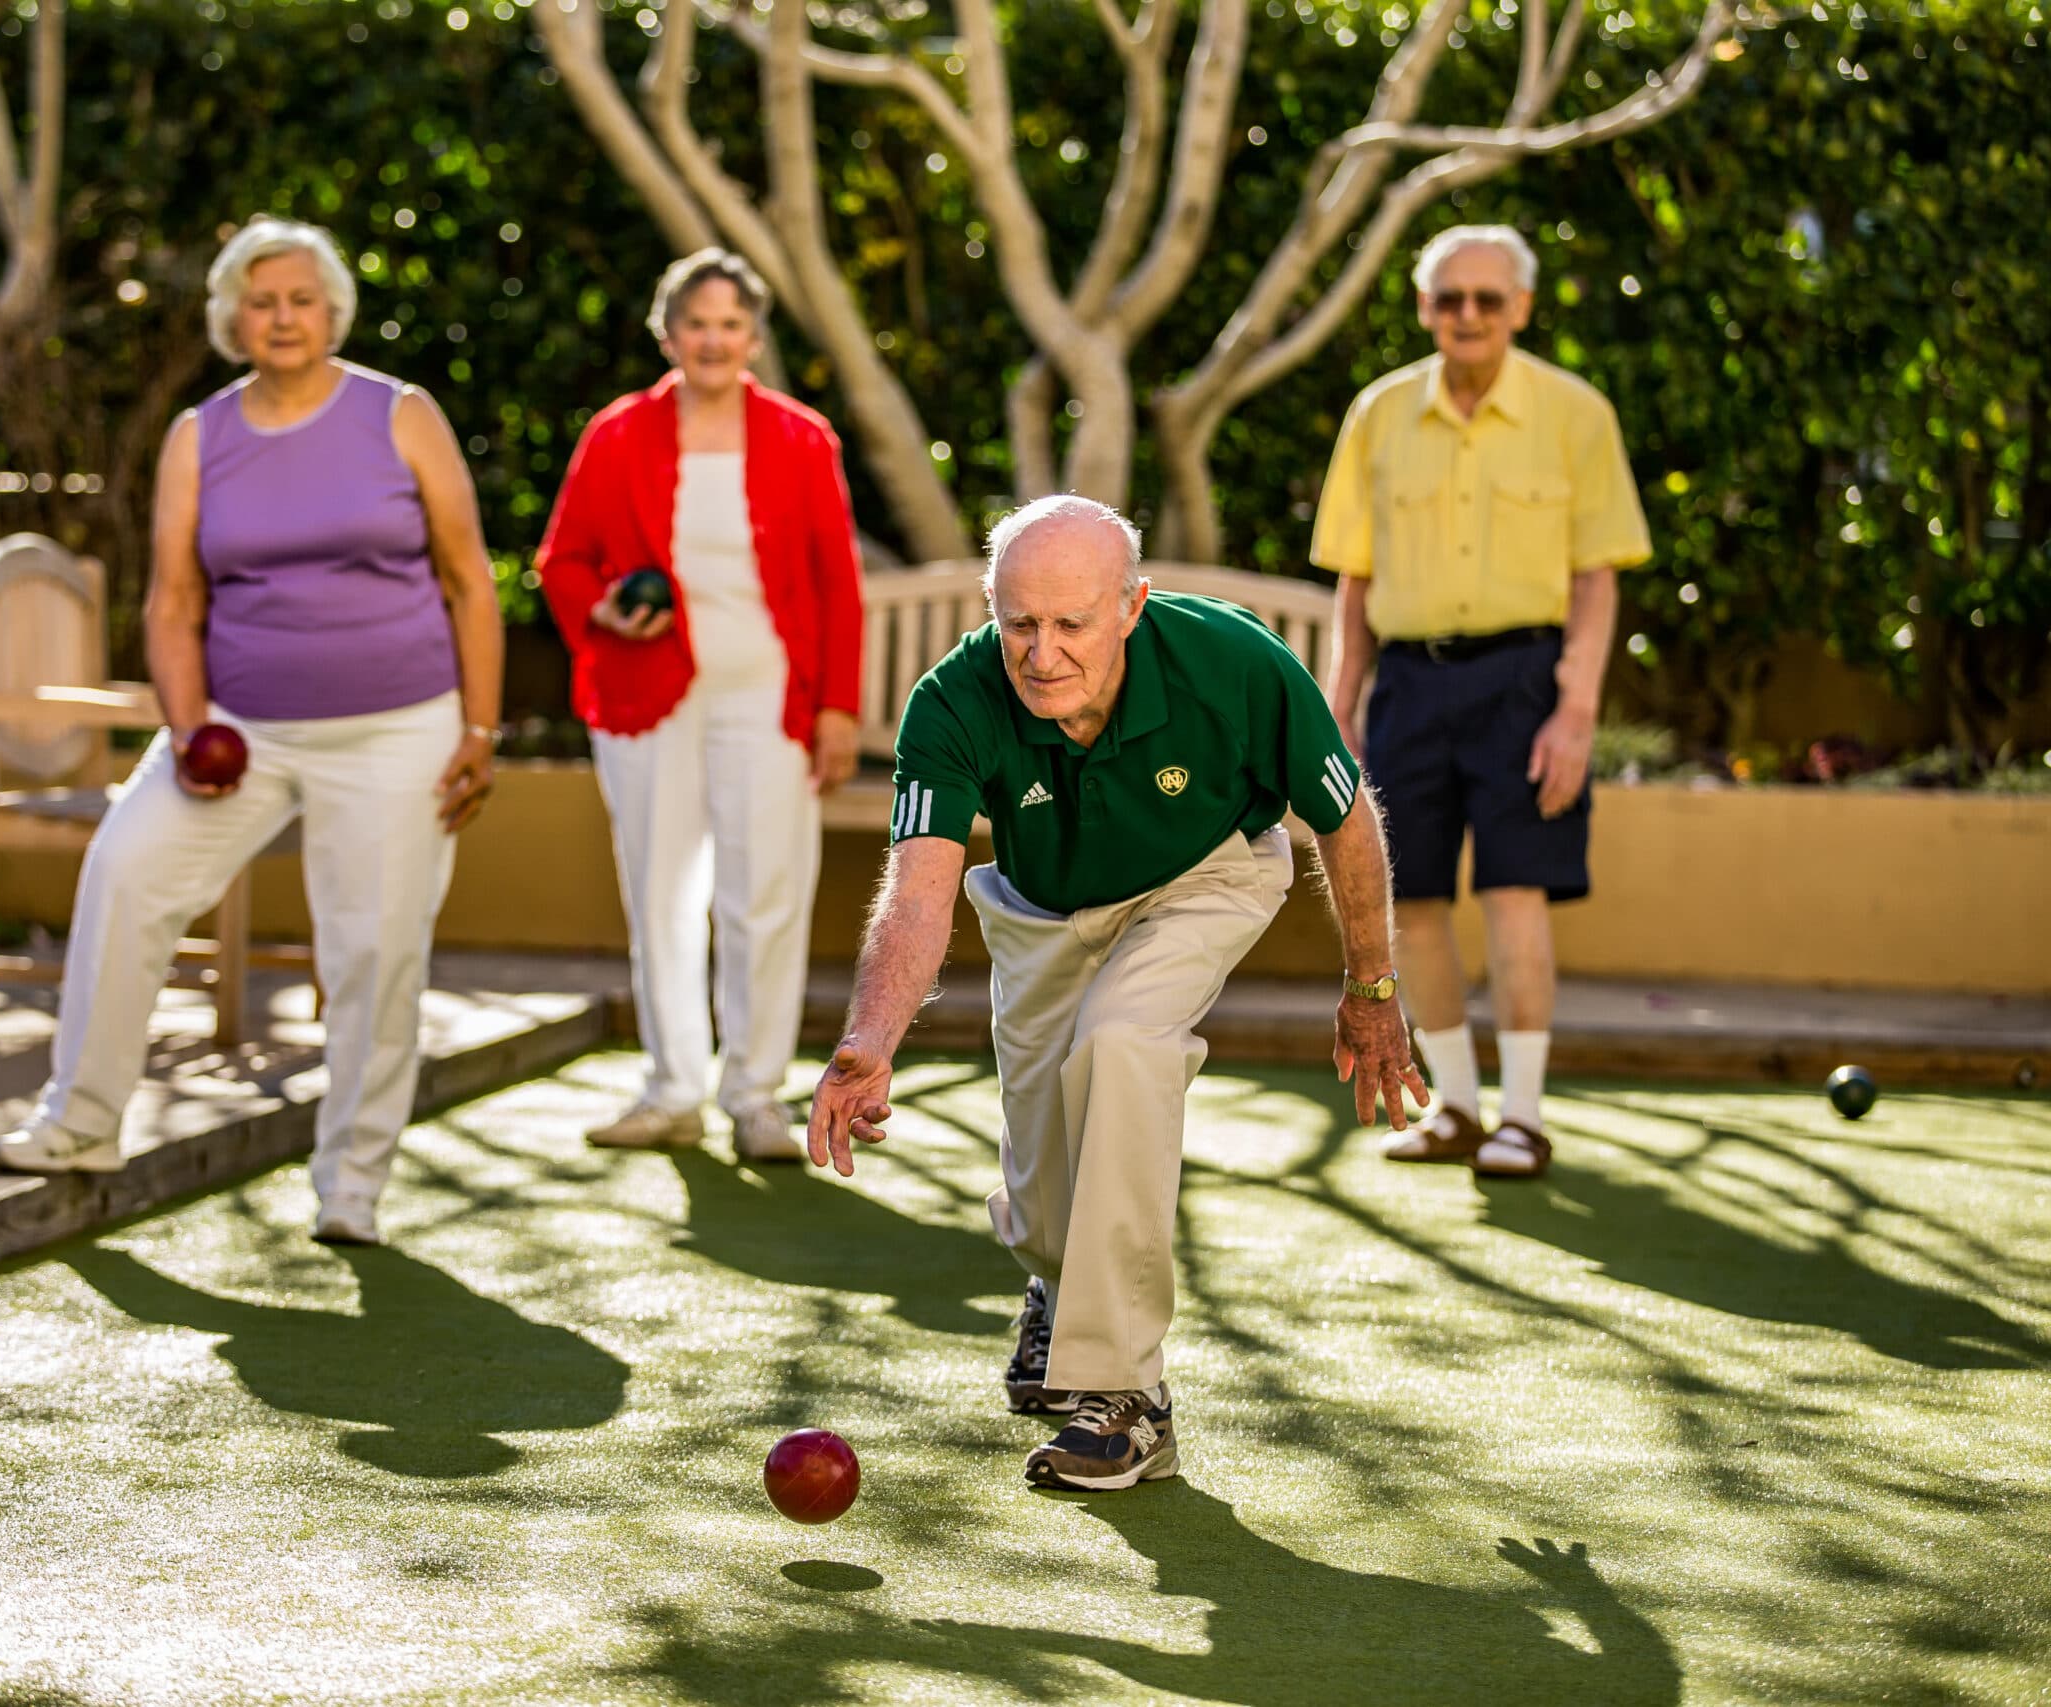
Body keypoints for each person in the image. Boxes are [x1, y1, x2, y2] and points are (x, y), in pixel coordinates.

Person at [805, 496, 1427, 1492]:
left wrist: (1373, 984)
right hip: (1043, 908)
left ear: (1132, 606)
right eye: (1019, 625)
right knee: (1045, 1190)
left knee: (1124, 1041)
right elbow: (918, 893)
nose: (1040, 654)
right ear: (991, 611)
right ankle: (1055, 1283)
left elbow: (1346, 820)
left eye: (1071, 625)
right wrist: (870, 1039)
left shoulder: (1235, 665)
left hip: (1205, 874)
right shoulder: (953, 699)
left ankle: (1127, 1399)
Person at [0, 215, 504, 1247]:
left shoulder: (399, 414)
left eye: (301, 299)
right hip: (242, 727)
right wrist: (188, 731)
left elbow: (466, 577)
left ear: (332, 311)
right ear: (231, 318)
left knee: (374, 952)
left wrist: (478, 728)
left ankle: (351, 1183)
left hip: (398, 727)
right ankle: (80, 1123)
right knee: (127, 870)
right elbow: (173, 604)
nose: (282, 317)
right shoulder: (200, 436)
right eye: (261, 301)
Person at [1310, 224, 1653, 1181]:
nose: (1467, 315)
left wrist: (1575, 708)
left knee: (1514, 891)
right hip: (1411, 685)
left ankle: (1525, 1117)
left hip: (1526, 684)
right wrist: (1340, 706)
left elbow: (1596, 579)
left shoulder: (1575, 413)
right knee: (1410, 897)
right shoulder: (1377, 415)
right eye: (1449, 298)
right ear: (1423, 307)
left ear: (1521, 310)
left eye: (1487, 300)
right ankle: (1456, 1105)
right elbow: (1354, 581)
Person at [536, 248, 865, 1164]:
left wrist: (837, 708)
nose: (713, 340)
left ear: (753, 335)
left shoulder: (803, 437)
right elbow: (561, 561)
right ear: (667, 331)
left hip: (766, 694)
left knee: (764, 890)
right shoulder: (617, 433)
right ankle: (671, 1087)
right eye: (696, 323)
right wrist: (601, 608)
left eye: (731, 324)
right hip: (647, 694)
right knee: (658, 889)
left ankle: (756, 1095)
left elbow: (839, 586)